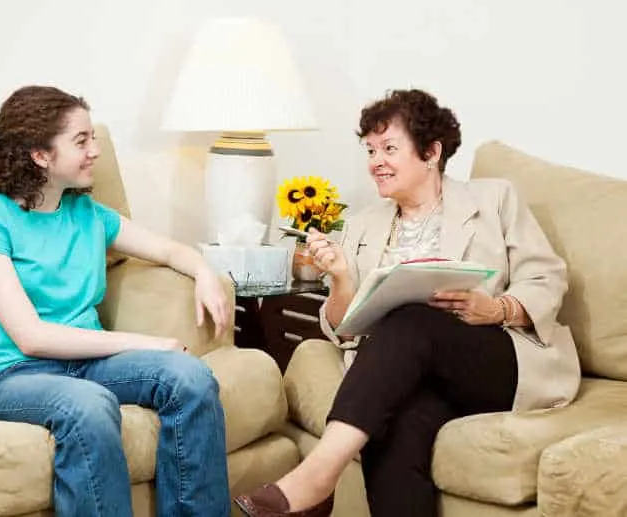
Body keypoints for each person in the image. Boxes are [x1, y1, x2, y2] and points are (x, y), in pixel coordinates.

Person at [235, 89, 581, 517]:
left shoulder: (495, 199)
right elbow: (346, 330)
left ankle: (318, 475)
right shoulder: (362, 225)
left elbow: (547, 277)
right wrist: (342, 278)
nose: (375, 161)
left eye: (389, 148)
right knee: (396, 424)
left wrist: (497, 308)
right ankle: (321, 481)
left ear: (432, 152)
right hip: (413, 369)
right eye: (370, 150)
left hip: (493, 356)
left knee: (413, 318)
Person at [0, 85, 232, 517]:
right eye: (81, 141)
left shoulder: (88, 215)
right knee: (88, 403)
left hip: (87, 362)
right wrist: (147, 343)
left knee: (190, 377)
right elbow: (32, 338)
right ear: (41, 155)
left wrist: (203, 272)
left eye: (93, 138)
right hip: (11, 375)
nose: (95, 151)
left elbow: (167, 250)